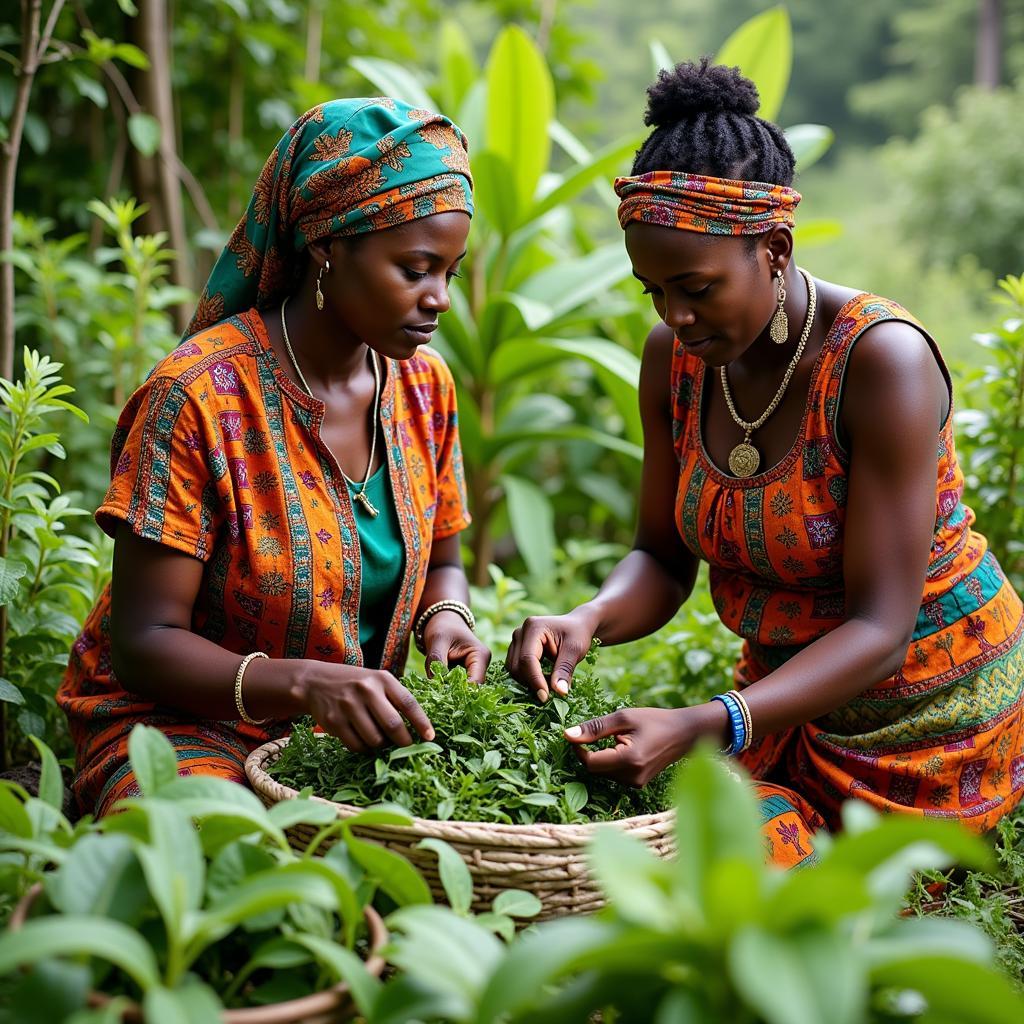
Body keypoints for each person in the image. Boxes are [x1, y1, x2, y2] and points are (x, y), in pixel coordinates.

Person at [506, 59, 1024, 864]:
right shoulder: (674, 361)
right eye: (653, 293)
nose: (676, 317)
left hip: (925, 723)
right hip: (781, 705)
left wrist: (709, 720)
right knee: (635, 841)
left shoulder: (880, 362)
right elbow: (659, 556)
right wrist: (589, 620)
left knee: (719, 873)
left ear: (774, 249)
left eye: (697, 288)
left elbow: (882, 629)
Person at [58, 97, 490, 817]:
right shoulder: (198, 398)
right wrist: (304, 684)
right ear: (326, 245)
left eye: (450, 270)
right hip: (179, 727)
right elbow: (144, 641)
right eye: (415, 269)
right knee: (227, 853)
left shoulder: (423, 388)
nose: (439, 299)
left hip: (342, 736)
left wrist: (448, 616)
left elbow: (444, 558)